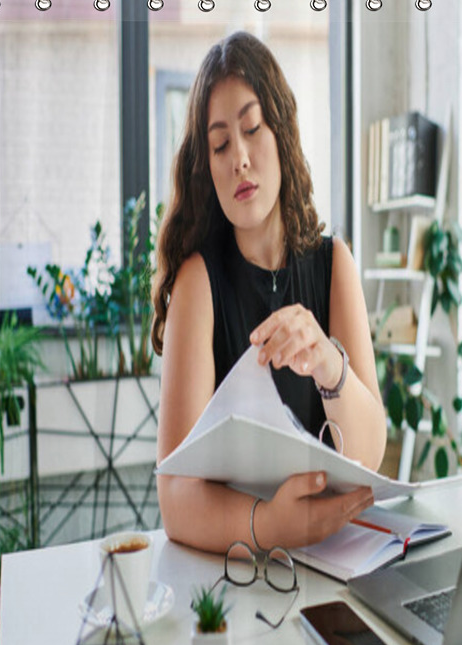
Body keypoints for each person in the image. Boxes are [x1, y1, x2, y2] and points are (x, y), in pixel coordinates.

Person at [151, 31, 386, 556]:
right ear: (206, 166)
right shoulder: (198, 282)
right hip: (240, 574)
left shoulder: (334, 264)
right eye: (220, 144)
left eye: (252, 129)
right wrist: (270, 525)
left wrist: (329, 364)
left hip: (333, 563)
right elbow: (175, 495)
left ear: (281, 132)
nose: (239, 158)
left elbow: (369, 454)